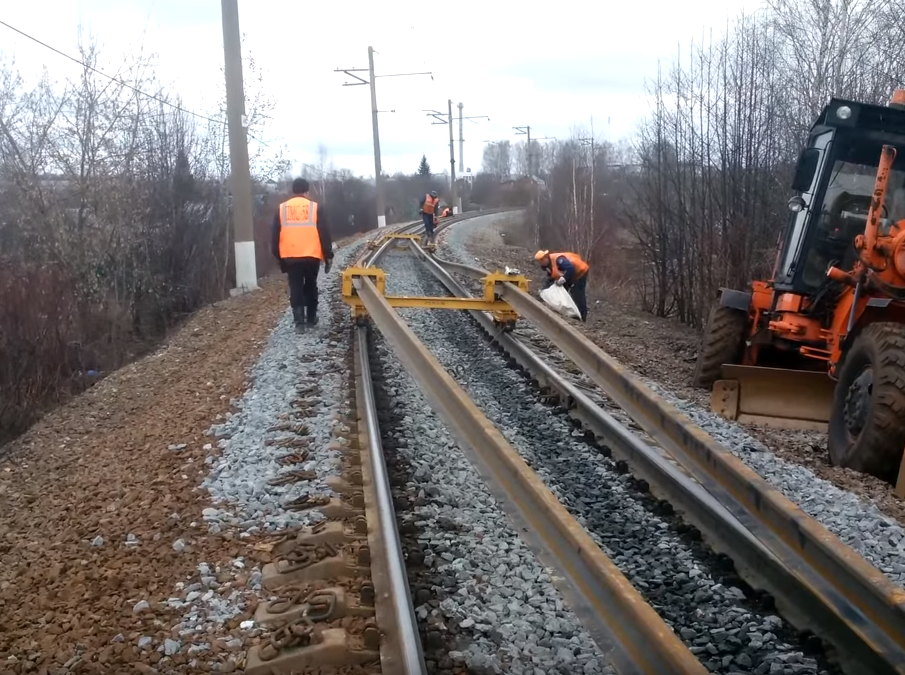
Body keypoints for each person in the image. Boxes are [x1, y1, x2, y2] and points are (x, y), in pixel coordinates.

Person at [272, 178, 334, 327]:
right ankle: (311, 319)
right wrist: (328, 255)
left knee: (295, 286)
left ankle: (299, 322)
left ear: (293, 191)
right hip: (312, 255)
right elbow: (323, 233)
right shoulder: (315, 208)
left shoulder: (281, 208)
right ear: (307, 191)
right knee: (311, 285)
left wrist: (278, 256)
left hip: (290, 255)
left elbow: (275, 236)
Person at [534, 249, 590, 322]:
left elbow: (570, 269)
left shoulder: (559, 260)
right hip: (571, 274)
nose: (541, 264)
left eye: (541, 261)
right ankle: (567, 310)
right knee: (563, 290)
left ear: (545, 258)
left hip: (580, 272)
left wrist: (563, 279)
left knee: (577, 293)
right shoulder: (547, 265)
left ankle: (582, 316)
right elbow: (551, 277)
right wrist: (543, 289)